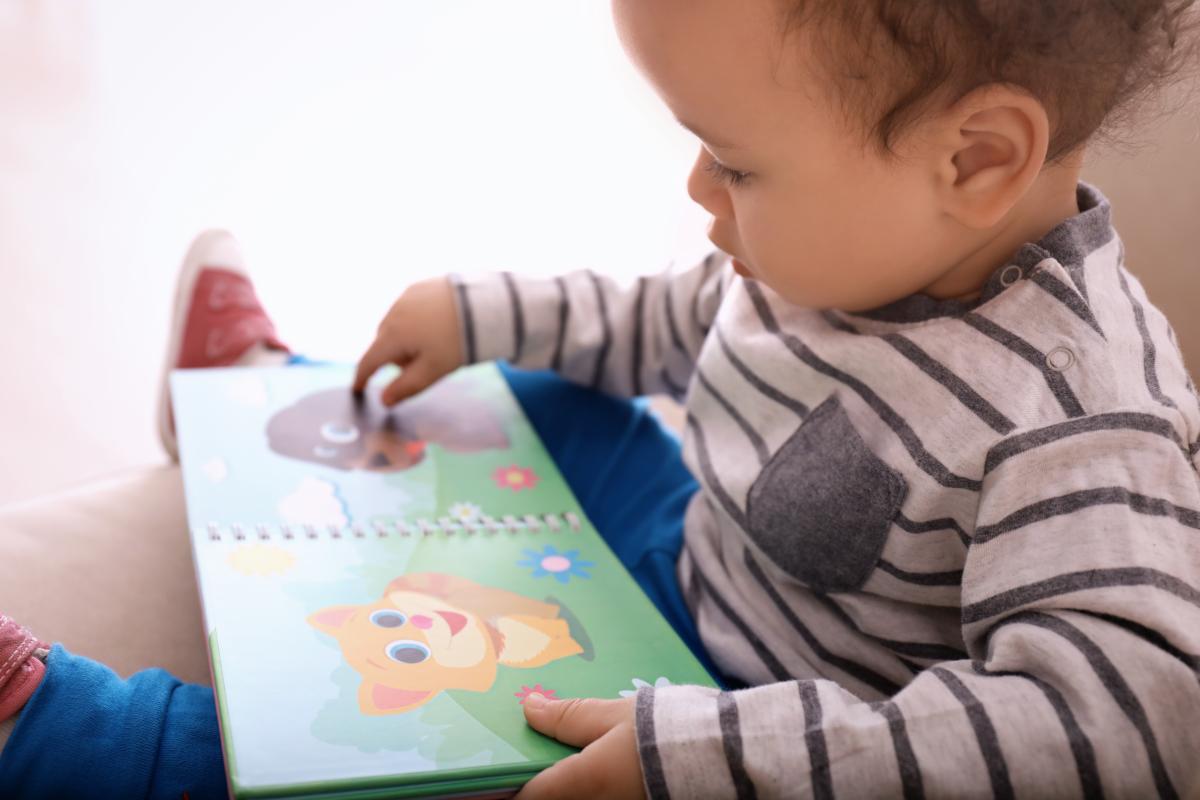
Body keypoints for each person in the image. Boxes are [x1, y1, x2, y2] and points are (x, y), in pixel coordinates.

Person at [4, 0, 1200, 797]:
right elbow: (672, 321)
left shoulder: (1082, 420)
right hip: (687, 546)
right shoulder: (865, 243)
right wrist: (487, 314)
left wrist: (709, 755)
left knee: (395, 759)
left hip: (762, 718)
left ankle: (58, 721)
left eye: (734, 162)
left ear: (976, 159)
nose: (700, 189)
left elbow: (1124, 722)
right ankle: (264, 391)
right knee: (545, 396)